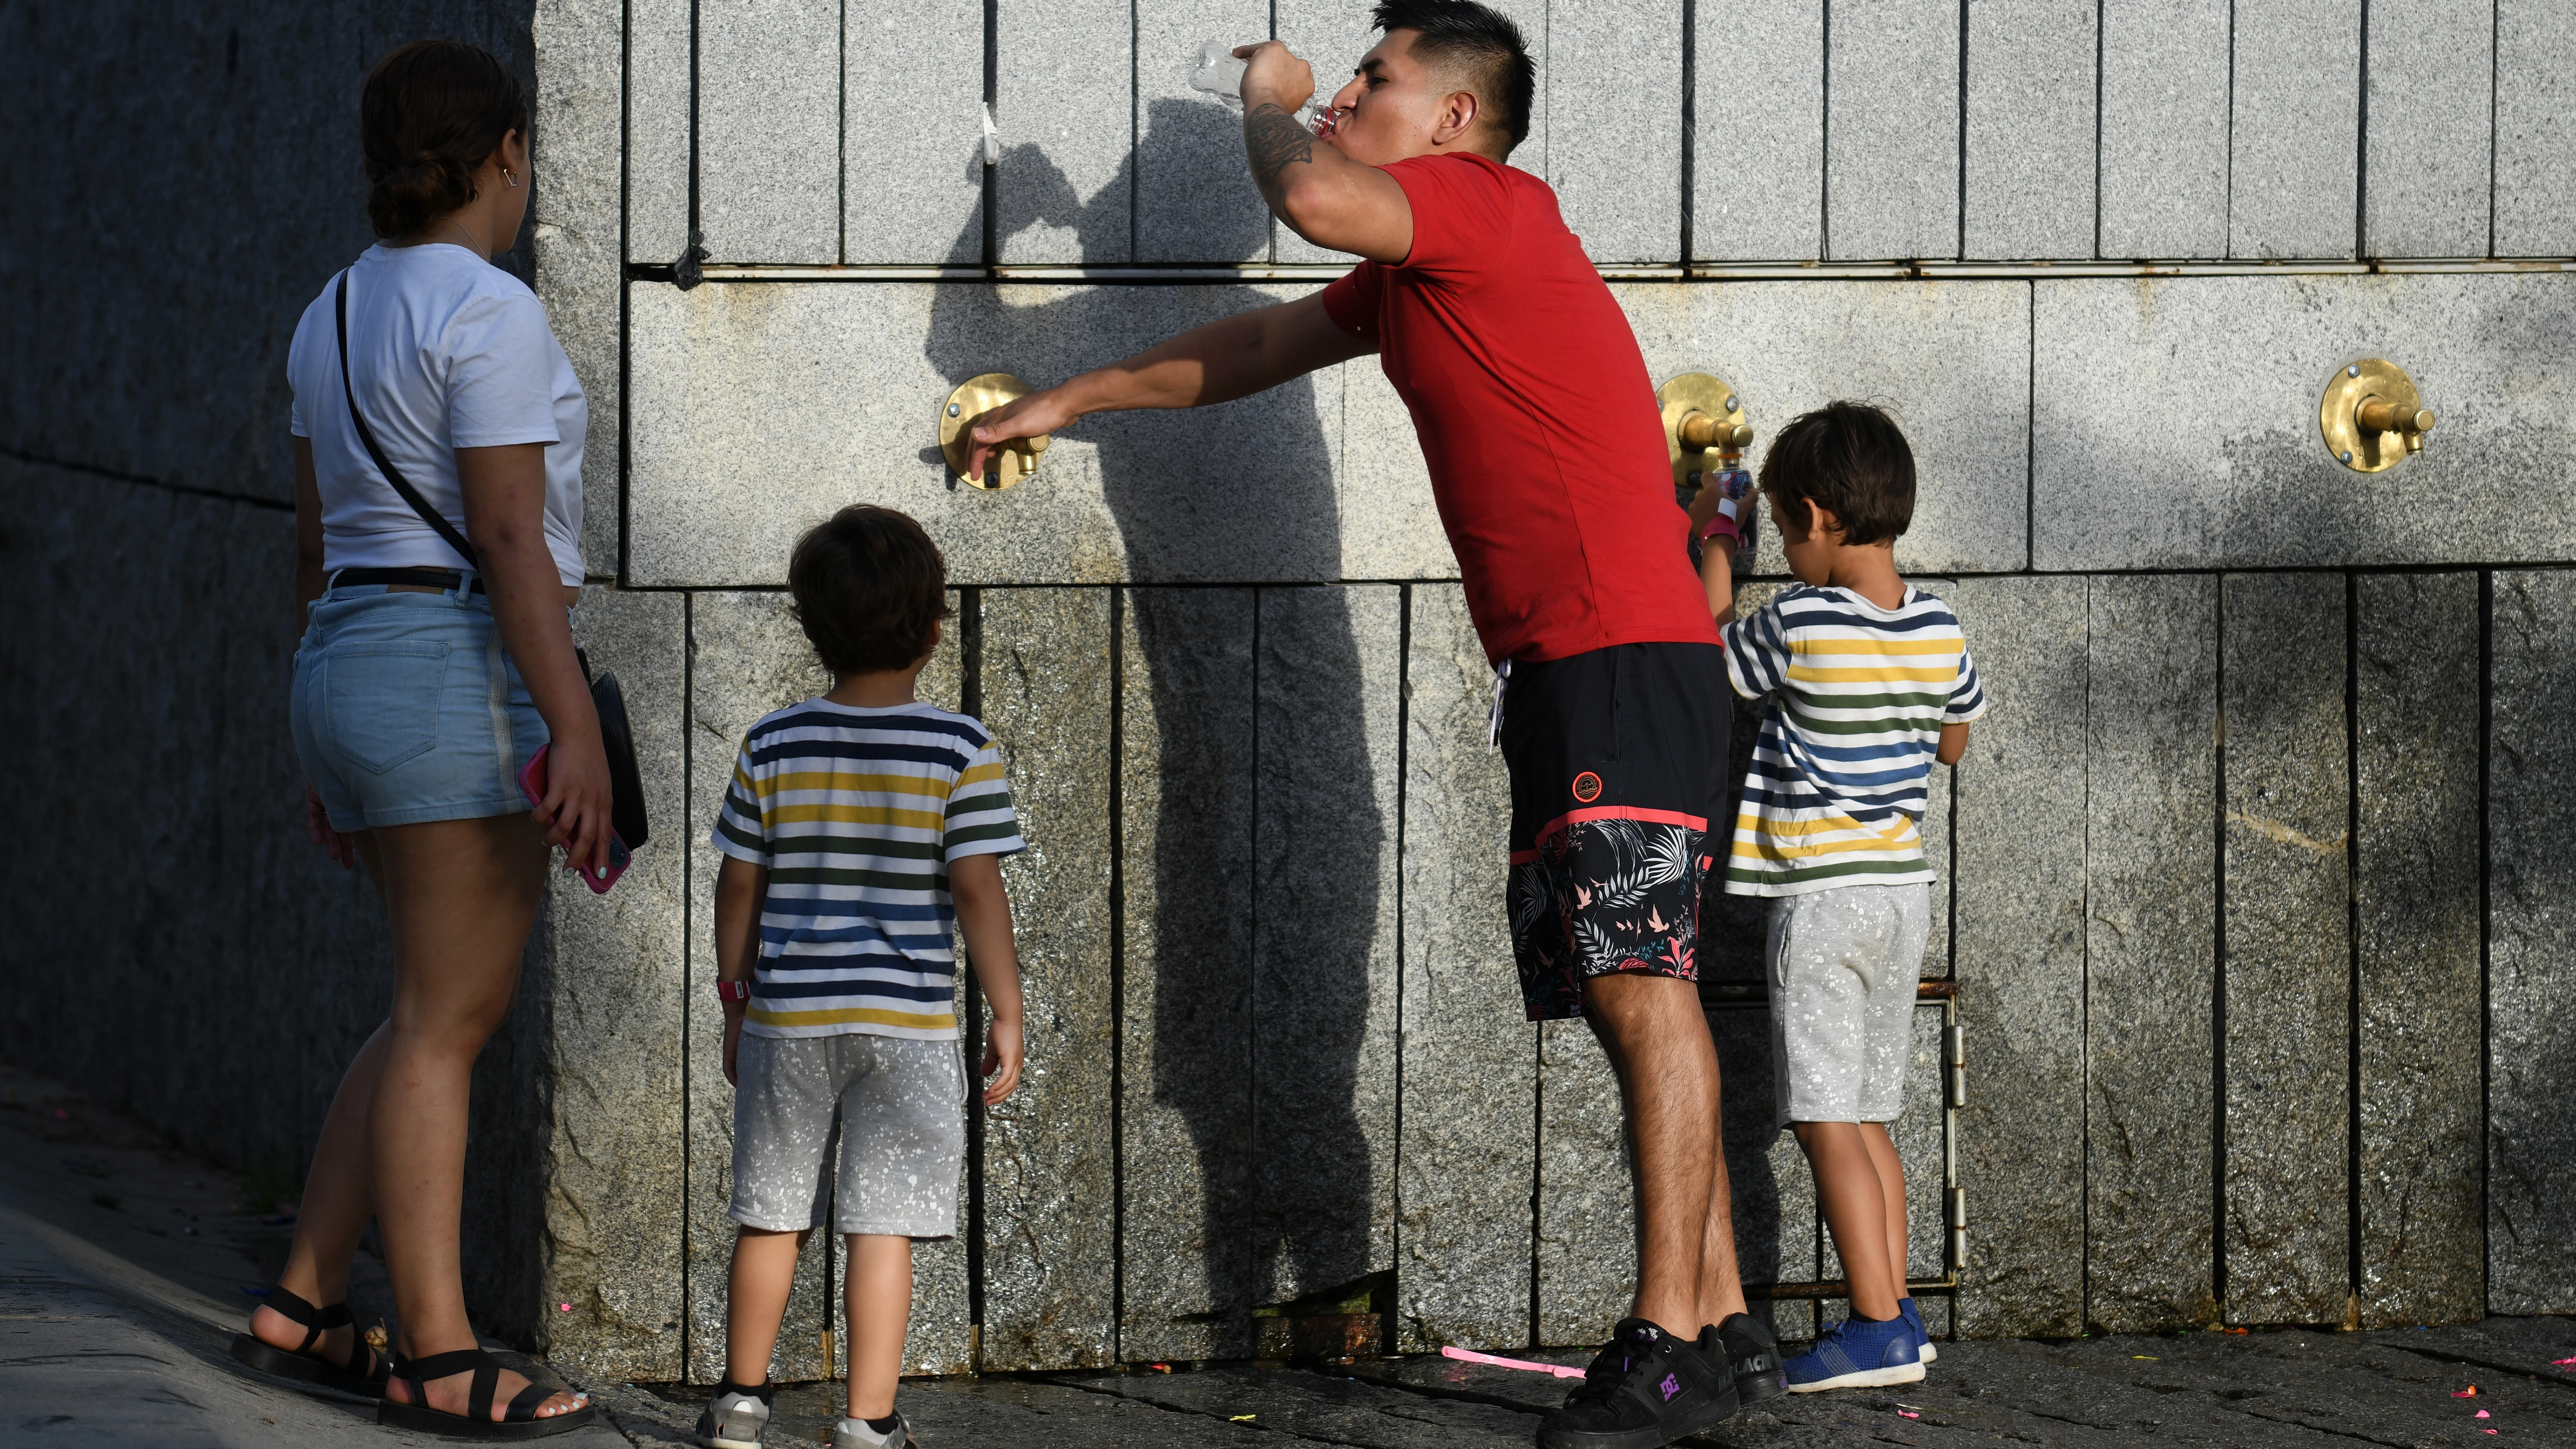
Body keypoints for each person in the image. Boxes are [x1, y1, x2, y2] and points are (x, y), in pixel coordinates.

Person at [967, 3, 1773, 1443]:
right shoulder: (1420, 276)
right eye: (1335, 78)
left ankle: (1667, 1338)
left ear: (1454, 119)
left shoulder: (1483, 207)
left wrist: (1273, 100)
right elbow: (1244, 349)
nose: (1341, 95)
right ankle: (1714, 1332)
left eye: (1373, 79)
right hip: (1585, 658)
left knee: (1641, 984)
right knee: (1625, 982)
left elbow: (1309, 193)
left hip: (1616, 646)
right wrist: (1065, 396)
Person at [237, 38, 606, 1437]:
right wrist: (570, 721)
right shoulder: (490, 311)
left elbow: (315, 535)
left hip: (346, 659)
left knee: (417, 1009)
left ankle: (307, 1295)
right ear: (505, 152)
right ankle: (441, 1353)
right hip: (452, 666)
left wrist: (329, 728)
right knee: (448, 1026)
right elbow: (510, 532)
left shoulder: (328, 308)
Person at [693, 506, 1028, 1449]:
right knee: (882, 1224)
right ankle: (869, 1423)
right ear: (932, 628)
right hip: (909, 1024)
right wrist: (1006, 1007)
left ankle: (739, 1405)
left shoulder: (772, 744)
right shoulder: (961, 750)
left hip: (788, 1016)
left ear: (811, 625)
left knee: (769, 1212)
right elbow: (975, 887)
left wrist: (734, 994)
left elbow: (738, 882)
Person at [1691, 403, 1985, 1391]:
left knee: (1822, 1117)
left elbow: (1709, 654)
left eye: (1782, 527)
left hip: (1821, 897)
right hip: (1903, 892)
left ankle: (1874, 1327)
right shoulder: (1939, 623)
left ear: (1815, 515)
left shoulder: (1801, 621)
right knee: (1868, 1114)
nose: (1784, 545)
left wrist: (1716, 535)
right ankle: (1896, 1309)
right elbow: (1953, 740)